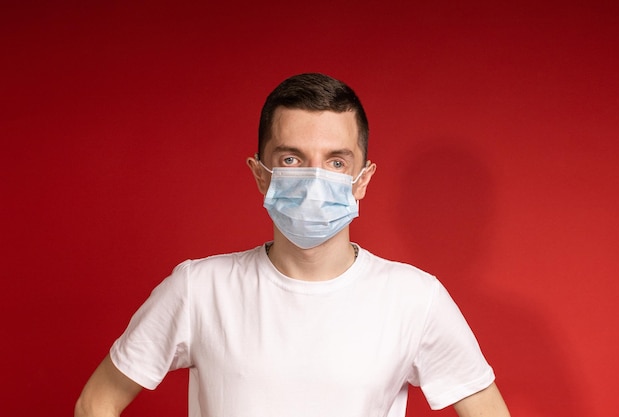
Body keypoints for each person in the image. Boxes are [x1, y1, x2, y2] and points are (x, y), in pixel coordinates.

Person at [75, 73, 510, 417]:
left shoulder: (415, 298)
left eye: (336, 161)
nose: (315, 178)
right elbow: (96, 403)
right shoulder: (199, 288)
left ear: (363, 179)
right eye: (291, 159)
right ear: (261, 173)